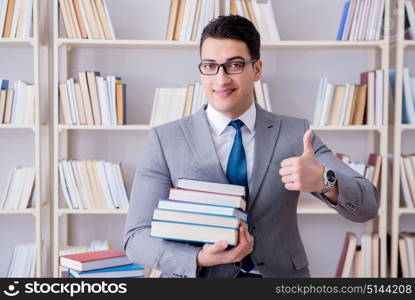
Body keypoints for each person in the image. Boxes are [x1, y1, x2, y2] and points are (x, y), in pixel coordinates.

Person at [123, 15, 379, 278]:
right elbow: (135, 238)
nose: (221, 80)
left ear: (256, 69)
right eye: (210, 66)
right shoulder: (165, 140)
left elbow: (367, 206)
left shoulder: (296, 135)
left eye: (234, 65)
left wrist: (324, 180)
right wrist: (198, 258)